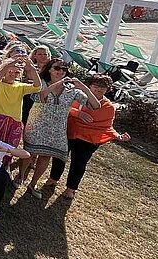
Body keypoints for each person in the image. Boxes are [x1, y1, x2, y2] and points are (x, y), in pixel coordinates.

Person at [21, 59, 100, 198]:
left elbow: (95, 106)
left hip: (57, 128)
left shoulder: (72, 90)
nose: (61, 71)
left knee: (45, 156)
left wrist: (84, 87)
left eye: (64, 69)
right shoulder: (42, 83)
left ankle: (32, 184)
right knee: (30, 152)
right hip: (37, 124)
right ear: (50, 69)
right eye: (57, 68)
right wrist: (57, 84)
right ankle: (20, 177)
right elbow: (39, 97)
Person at [47, 74, 131, 199]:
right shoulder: (78, 95)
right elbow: (63, 107)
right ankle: (53, 179)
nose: (98, 89)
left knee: (79, 163)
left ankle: (71, 188)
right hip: (69, 131)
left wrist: (118, 136)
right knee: (59, 156)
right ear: (90, 85)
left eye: (103, 87)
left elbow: (107, 126)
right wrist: (77, 113)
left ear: (108, 89)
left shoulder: (108, 107)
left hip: (89, 139)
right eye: (96, 85)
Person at [0, 54, 41, 176]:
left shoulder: (20, 87)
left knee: (9, 148)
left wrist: (31, 68)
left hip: (13, 123)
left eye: (16, 73)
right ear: (5, 70)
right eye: (10, 71)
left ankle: (2, 168)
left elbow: (37, 86)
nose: (13, 74)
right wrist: (10, 64)